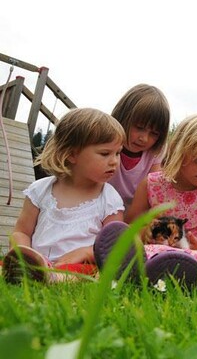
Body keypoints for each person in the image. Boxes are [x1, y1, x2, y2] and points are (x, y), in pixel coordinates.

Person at [95, 113, 197, 288]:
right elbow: (131, 231)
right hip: (155, 254)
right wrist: (146, 230)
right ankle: (139, 272)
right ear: (179, 151)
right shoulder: (151, 184)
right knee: (147, 255)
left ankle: (183, 278)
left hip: (196, 260)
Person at [3, 108, 125, 284]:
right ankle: (29, 272)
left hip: (79, 266)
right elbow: (21, 231)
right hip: (37, 262)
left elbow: (114, 246)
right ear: (72, 154)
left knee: (87, 272)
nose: (114, 161)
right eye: (105, 153)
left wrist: (85, 252)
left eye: (118, 153)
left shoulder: (109, 198)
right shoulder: (40, 190)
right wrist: (23, 253)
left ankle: (50, 278)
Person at [108, 84, 170, 209]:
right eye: (139, 128)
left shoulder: (156, 151)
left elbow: (154, 187)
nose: (144, 138)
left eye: (154, 133)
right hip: (104, 205)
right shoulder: (106, 142)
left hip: (137, 210)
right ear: (123, 116)